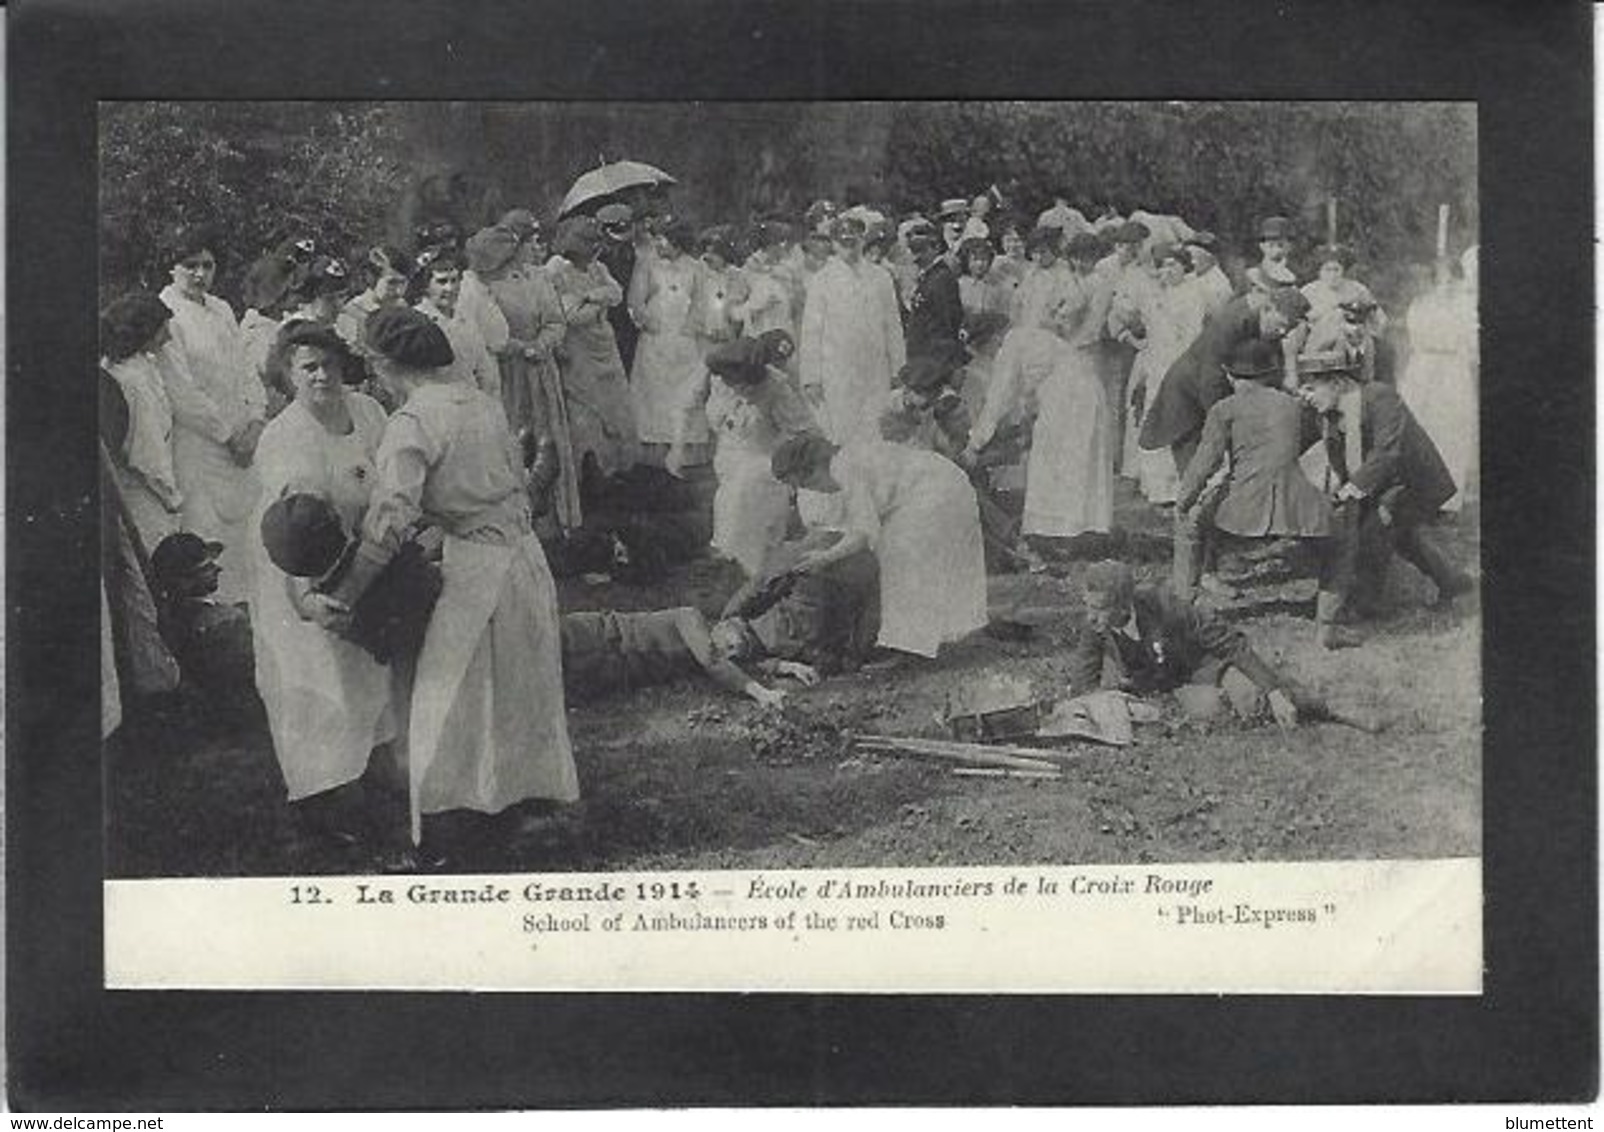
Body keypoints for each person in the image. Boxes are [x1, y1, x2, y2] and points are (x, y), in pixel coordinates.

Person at [328, 306, 577, 852]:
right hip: (522, 555)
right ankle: (519, 804)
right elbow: (504, 483)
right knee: (517, 686)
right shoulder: (482, 403)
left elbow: (390, 518)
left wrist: (346, 594)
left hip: (480, 569)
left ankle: (460, 821)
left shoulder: (413, 423)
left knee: (452, 696)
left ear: (388, 367)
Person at [248, 322, 397, 852]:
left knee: (369, 680)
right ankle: (321, 801)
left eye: (328, 364)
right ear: (287, 375)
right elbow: (295, 531)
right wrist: (308, 599)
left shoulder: (369, 413)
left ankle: (370, 780)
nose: (321, 375)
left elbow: (392, 479)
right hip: (298, 570)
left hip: (363, 562)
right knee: (317, 688)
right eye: (307, 366)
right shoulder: (285, 438)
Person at [771, 432, 986, 661]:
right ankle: (916, 642)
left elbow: (863, 533)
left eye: (807, 482)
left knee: (901, 555)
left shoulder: (846, 468)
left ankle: (911, 648)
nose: (810, 489)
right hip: (928, 489)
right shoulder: (839, 464)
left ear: (814, 467)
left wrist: (825, 558)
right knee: (896, 553)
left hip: (937, 489)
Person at [1172, 340, 1340, 622]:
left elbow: (1205, 463)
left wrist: (1183, 499)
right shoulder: (1293, 405)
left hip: (1243, 504)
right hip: (1297, 501)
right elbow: (1306, 445)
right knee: (1335, 541)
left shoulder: (1224, 409)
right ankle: (1334, 606)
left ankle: (1184, 604)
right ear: (1270, 374)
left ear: (1229, 375)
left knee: (1187, 522)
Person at [1298, 364, 1474, 627]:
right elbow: (1298, 441)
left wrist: (1351, 489)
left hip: (1412, 480)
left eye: (1311, 388)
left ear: (1336, 383)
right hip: (1379, 483)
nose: (1305, 396)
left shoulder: (1380, 397)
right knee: (1404, 537)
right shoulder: (1325, 410)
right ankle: (1453, 582)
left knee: (1374, 533)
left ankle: (1365, 606)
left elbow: (1387, 452)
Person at [1067, 562, 1339, 730]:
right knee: (1210, 711)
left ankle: (1325, 703)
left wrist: (1274, 692)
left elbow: (1230, 643)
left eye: (1100, 608)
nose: (1091, 615)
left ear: (1123, 604)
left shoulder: (1165, 607)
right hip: (1168, 686)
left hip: (1205, 667)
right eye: (1087, 606)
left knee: (1252, 701)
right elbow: (1084, 680)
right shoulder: (1094, 623)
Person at [157, 227, 267, 604]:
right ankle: (215, 619)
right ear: (172, 268)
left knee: (248, 531)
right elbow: (182, 391)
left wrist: (255, 420)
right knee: (208, 529)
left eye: (208, 265)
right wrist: (226, 434)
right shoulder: (166, 312)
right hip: (200, 446)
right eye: (191, 266)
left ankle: (249, 616)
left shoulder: (221, 308)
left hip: (243, 445)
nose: (201, 274)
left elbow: (245, 368)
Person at [463, 225, 581, 530]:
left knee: (545, 440)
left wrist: (540, 345)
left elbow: (556, 321)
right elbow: (487, 336)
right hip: (502, 373)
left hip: (537, 371)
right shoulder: (475, 288)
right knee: (512, 442)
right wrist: (518, 348)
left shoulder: (538, 278)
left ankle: (552, 523)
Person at [676, 336, 818, 575]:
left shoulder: (777, 387)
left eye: (750, 386)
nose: (744, 391)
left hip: (765, 463)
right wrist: (677, 448)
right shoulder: (714, 376)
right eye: (738, 385)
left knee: (747, 500)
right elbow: (683, 405)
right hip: (727, 458)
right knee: (730, 507)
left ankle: (755, 571)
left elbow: (806, 433)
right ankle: (732, 568)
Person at [1141, 285, 1311, 480]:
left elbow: (1272, 370)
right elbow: (1210, 378)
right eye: (1281, 325)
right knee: (1196, 458)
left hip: (1221, 387)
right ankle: (1190, 505)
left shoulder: (1270, 327)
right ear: (1267, 309)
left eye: (1288, 329)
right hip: (1189, 389)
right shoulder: (1230, 324)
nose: (1283, 333)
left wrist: (1286, 396)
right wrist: (1227, 419)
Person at [965, 326, 1113, 548]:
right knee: (1075, 461)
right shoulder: (1039, 338)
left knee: (1055, 463)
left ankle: (1057, 533)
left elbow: (999, 397)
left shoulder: (1013, 344)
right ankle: (1079, 529)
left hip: (1067, 398)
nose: (990, 356)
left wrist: (975, 443)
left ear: (994, 339)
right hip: (1087, 390)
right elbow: (1025, 394)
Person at [712, 527, 882, 677]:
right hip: (806, 640)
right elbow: (762, 584)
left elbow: (867, 625)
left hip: (812, 637)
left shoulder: (862, 573)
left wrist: (854, 657)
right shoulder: (802, 559)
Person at [798, 214, 906, 446]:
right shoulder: (821, 280)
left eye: (853, 240)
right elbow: (811, 332)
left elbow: (893, 326)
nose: (849, 247)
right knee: (844, 432)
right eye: (842, 242)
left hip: (876, 369)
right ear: (834, 244)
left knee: (878, 429)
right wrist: (811, 378)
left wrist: (899, 369)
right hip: (838, 371)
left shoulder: (881, 277)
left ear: (862, 240)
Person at [548, 215, 639, 488]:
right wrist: (596, 305)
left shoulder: (597, 269)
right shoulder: (556, 271)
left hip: (603, 344)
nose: (594, 254)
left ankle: (615, 466)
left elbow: (616, 293)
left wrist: (591, 297)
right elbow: (566, 314)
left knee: (615, 404)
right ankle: (589, 468)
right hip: (576, 348)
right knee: (587, 408)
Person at [560, 606, 790, 707]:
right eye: (729, 643)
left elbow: (730, 664)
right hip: (595, 635)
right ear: (721, 625)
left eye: (732, 653)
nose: (726, 652)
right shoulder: (689, 617)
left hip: (603, 669)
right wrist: (761, 693)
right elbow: (713, 660)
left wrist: (786, 667)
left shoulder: (701, 658)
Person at [99, 293, 186, 550]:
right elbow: (146, 454)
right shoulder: (133, 381)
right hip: (144, 496)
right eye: (162, 330)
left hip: (141, 490)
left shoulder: (138, 365)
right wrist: (171, 498)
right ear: (144, 331)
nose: (168, 337)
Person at [1123, 242, 1208, 501]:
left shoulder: (1193, 294)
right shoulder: (1157, 296)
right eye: (1162, 266)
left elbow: (1193, 336)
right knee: (1153, 418)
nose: (1168, 271)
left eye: (1173, 264)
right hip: (1156, 366)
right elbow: (1147, 330)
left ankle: (1180, 486)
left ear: (1185, 266)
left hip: (1181, 366)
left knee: (1178, 421)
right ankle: (1156, 487)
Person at [1398, 254, 1477, 511]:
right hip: (1423, 368)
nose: (1447, 285)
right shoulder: (1420, 305)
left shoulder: (1466, 307)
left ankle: (1449, 499)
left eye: (1452, 280)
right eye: (1442, 280)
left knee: (1453, 428)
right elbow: (1417, 337)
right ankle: (1415, 492)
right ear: (1433, 282)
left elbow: (1471, 342)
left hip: (1453, 369)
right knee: (1420, 427)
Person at [628, 219, 706, 467]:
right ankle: (653, 456)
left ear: (678, 242)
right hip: (656, 339)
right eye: (657, 238)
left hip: (683, 341)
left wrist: (690, 328)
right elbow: (635, 302)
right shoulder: (647, 266)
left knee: (683, 394)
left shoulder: (695, 268)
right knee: (654, 393)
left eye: (663, 239)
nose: (658, 243)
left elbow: (700, 302)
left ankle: (683, 451)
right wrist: (646, 322)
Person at [412, 246, 500, 400]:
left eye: (455, 280)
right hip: (435, 406)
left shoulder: (465, 319)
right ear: (426, 286)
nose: (450, 288)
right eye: (442, 281)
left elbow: (484, 370)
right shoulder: (416, 320)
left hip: (471, 404)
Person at [902, 219, 965, 363]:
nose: (915, 256)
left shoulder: (941, 278)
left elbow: (948, 323)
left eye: (921, 250)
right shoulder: (926, 276)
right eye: (912, 249)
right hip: (922, 356)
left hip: (934, 359)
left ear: (936, 248)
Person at [336, 244, 415, 355]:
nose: (399, 291)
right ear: (371, 278)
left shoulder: (402, 307)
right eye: (392, 283)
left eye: (403, 283)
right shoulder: (352, 313)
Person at [593, 203, 643, 372]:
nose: (620, 245)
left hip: (633, 318)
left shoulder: (636, 254)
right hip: (608, 319)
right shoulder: (596, 260)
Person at [1010, 226, 1073, 334]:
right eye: (1035, 252)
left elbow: (1068, 309)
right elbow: (1018, 303)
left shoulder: (1065, 275)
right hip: (1027, 331)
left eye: (1043, 252)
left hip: (1052, 334)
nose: (1038, 257)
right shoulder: (1030, 273)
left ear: (1054, 251)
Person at [956, 236, 1010, 320]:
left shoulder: (997, 286)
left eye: (984, 259)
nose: (980, 264)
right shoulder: (959, 285)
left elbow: (1004, 315)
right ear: (967, 260)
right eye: (975, 259)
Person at [1184, 231, 1235, 319]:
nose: (1192, 262)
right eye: (1190, 257)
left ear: (1210, 258)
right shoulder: (1191, 277)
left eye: (1196, 257)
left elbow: (1217, 314)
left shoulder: (1217, 283)